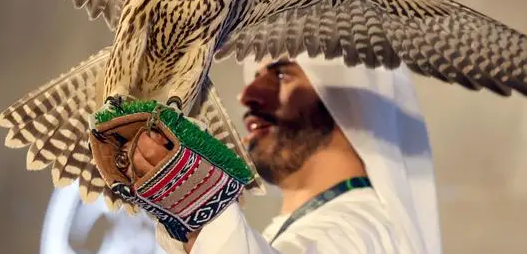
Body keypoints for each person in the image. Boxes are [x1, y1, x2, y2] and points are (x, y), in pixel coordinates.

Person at [131, 54, 442, 254]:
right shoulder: (297, 229)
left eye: (281, 76)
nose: (247, 96)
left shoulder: (363, 231)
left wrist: (199, 203)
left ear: (351, 106)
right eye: (255, 76)